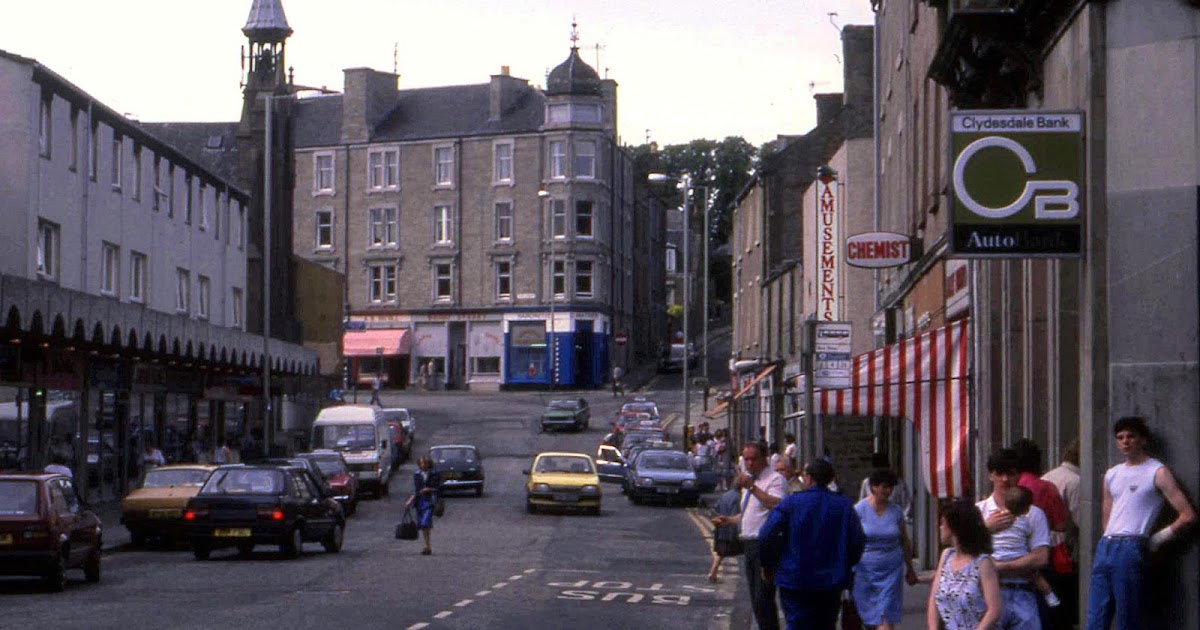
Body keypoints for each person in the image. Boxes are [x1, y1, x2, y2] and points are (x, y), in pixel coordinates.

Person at [1085, 416, 1196, 630]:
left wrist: (1157, 538)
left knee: (1129, 616)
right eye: (1120, 437)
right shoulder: (1112, 474)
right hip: (1107, 545)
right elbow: (1107, 514)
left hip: (1131, 544)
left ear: (1142, 440)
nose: (1125, 441)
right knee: (1096, 617)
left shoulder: (1157, 471)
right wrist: (1106, 539)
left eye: (1131, 436)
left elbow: (1187, 514)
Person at [758, 458, 866, 629]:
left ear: (808, 478)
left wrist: (768, 563)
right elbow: (858, 540)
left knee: (796, 623)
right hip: (831, 579)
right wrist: (846, 563)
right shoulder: (844, 504)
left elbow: (765, 534)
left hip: (794, 578)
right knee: (826, 624)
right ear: (831, 479)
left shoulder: (791, 502)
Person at [710, 442, 787, 630]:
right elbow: (750, 514)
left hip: (765, 544)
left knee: (763, 597)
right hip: (749, 545)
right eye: (746, 459)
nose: (749, 463)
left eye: (754, 459)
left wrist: (752, 487)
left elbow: (776, 505)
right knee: (755, 597)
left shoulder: (775, 480)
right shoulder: (751, 481)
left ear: (764, 458)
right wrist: (730, 520)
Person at [977, 448, 1050, 630]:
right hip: (987, 592)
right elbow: (962, 554)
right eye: (999, 473)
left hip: (1023, 592)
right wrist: (986, 529)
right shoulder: (978, 511)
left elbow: (1041, 557)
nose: (1005, 480)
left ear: (1018, 476)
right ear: (991, 476)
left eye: (1010, 474)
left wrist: (1001, 567)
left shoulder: (1034, 513)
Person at [852, 468, 919, 630]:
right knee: (870, 619)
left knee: (886, 615)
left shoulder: (895, 511)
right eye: (882, 486)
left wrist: (910, 568)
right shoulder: (859, 509)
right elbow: (850, 540)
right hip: (865, 571)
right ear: (873, 487)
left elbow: (904, 541)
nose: (886, 491)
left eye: (889, 487)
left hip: (891, 569)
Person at [928, 500, 1003, 630]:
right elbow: (934, 599)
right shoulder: (946, 556)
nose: (939, 528)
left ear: (954, 528)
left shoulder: (983, 562)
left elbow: (994, 610)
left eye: (942, 524)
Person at [1003, 486, 1060, 608]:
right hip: (1018, 556)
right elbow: (1028, 534)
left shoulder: (996, 518)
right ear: (1025, 509)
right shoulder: (1024, 521)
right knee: (1035, 575)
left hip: (998, 556)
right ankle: (1050, 595)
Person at [859, 452, 913, 522]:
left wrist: (902, 518)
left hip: (893, 521)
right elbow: (862, 503)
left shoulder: (898, 483)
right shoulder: (867, 483)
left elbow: (907, 505)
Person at [405, 456, 442, 556]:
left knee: (425, 522)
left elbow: (438, 487)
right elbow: (417, 490)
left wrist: (429, 489)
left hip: (430, 500)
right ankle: (427, 545)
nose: (423, 465)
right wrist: (410, 500)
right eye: (421, 463)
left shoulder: (434, 473)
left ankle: (427, 545)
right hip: (420, 501)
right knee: (422, 524)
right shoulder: (417, 475)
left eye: (424, 463)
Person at [708, 486, 742, 582]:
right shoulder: (739, 497)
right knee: (749, 552)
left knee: (721, 553)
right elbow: (735, 513)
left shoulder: (726, 495)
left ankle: (713, 572)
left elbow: (714, 509)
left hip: (722, 529)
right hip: (732, 530)